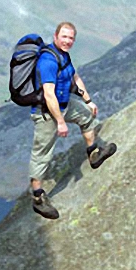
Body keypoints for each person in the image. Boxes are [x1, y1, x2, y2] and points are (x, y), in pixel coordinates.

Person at [29, 22, 116, 219]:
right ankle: (37, 198)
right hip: (47, 113)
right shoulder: (48, 61)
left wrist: (88, 101)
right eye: (64, 37)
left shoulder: (64, 56)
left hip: (65, 105)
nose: (68, 41)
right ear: (55, 36)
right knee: (41, 153)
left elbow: (76, 79)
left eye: (71, 38)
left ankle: (94, 154)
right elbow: (49, 95)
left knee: (86, 115)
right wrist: (60, 122)